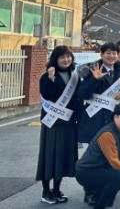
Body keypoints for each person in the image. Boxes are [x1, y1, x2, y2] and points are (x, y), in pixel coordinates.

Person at [75, 102, 120, 209]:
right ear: (115, 117)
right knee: (118, 177)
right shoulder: (107, 134)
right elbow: (113, 161)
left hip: (101, 169)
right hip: (86, 171)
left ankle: (97, 195)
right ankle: (97, 202)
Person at [36, 45, 80, 205]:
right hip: (53, 123)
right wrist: (51, 79)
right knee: (49, 157)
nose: (66, 59)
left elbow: (78, 99)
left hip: (69, 123)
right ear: (56, 59)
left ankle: (56, 189)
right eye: (62, 57)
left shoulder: (74, 75)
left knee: (63, 157)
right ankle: (46, 191)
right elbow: (47, 95)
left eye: (68, 56)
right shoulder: (46, 76)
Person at [77, 42, 120, 145]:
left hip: (113, 117)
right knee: (95, 150)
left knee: (112, 148)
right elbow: (83, 94)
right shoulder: (91, 69)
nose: (111, 56)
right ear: (101, 54)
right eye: (108, 53)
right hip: (95, 117)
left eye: (114, 53)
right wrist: (95, 80)